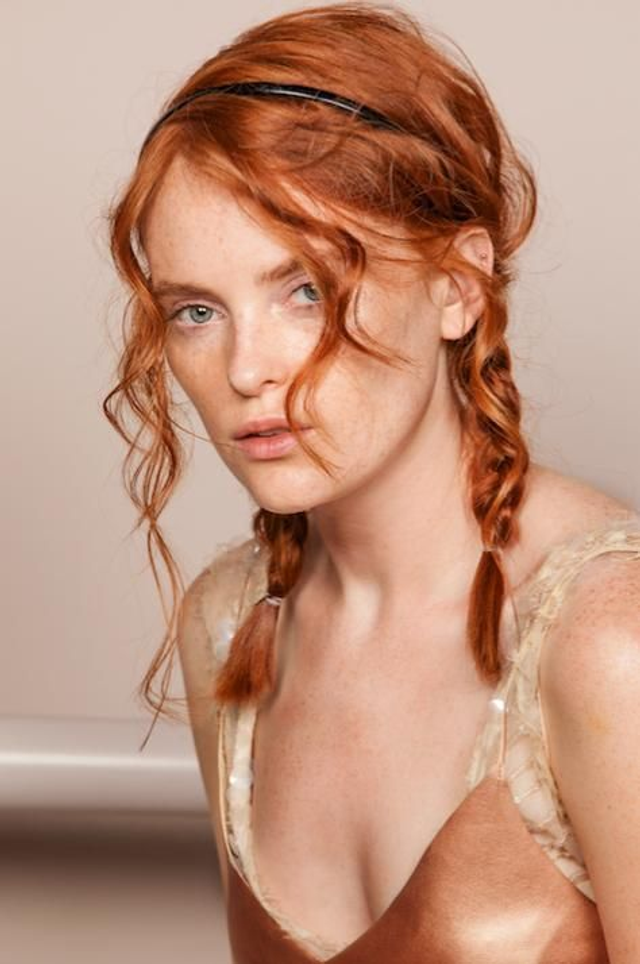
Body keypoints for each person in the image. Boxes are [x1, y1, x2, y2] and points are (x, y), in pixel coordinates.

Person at [103, 3, 640, 960]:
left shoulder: (606, 641)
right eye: (196, 311)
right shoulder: (226, 625)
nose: (246, 370)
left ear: (458, 287)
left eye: (305, 290)